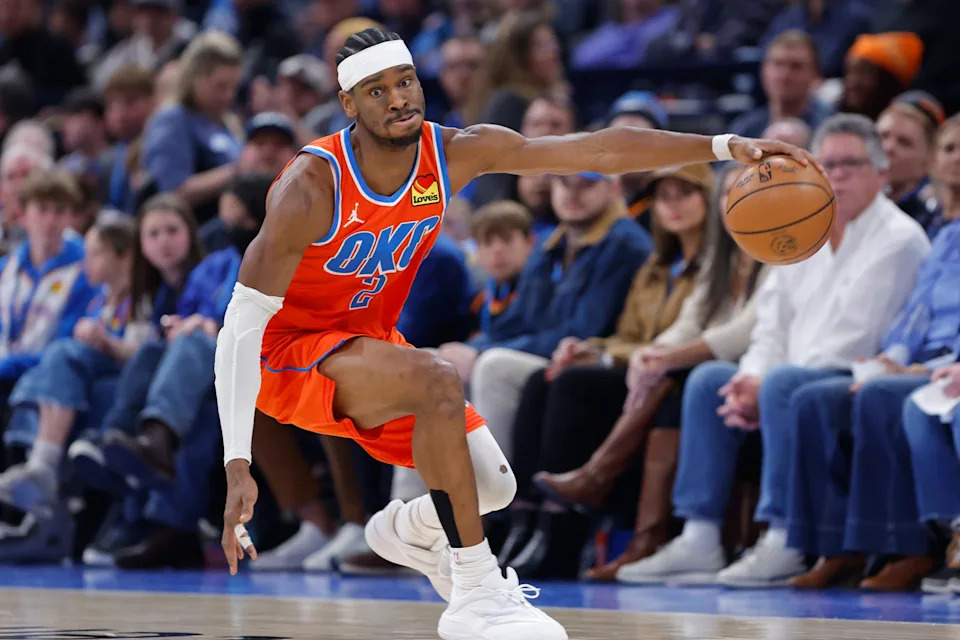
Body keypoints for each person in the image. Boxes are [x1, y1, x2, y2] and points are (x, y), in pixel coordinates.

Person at [214, 27, 813, 640]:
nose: (398, 100)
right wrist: (240, 463)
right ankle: (477, 589)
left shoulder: (455, 152)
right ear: (349, 105)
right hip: (284, 354)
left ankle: (409, 530)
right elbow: (238, 327)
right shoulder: (312, 186)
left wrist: (720, 144)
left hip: (366, 341)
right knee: (437, 379)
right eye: (377, 91)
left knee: (492, 486)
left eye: (405, 82)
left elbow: (596, 150)